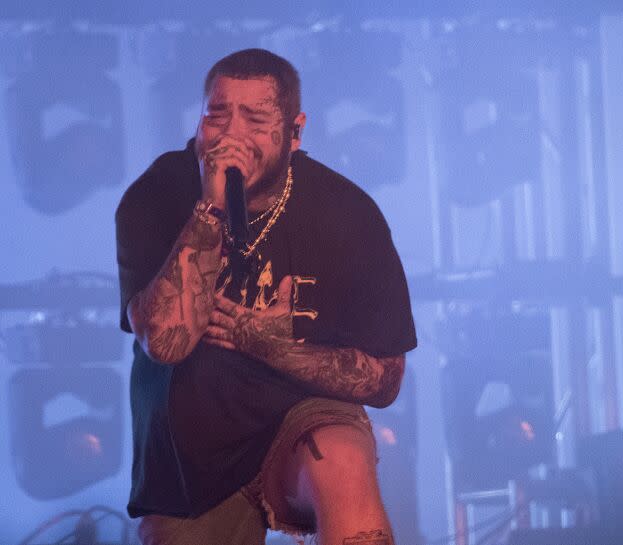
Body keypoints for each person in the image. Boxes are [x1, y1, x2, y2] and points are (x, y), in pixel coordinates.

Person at [115, 48, 417, 545]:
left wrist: (277, 351)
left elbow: (385, 380)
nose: (231, 134)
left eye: (255, 119)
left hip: (301, 421)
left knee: (340, 458)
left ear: (296, 132)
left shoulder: (348, 214)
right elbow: (167, 343)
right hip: (190, 452)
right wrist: (209, 209)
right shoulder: (156, 195)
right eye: (217, 114)